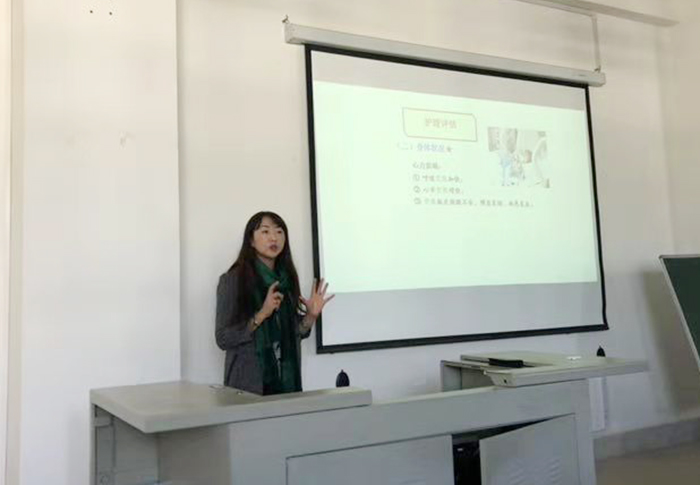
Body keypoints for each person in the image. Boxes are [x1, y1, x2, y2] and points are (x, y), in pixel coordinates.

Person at [215, 211, 334, 395]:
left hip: (287, 387)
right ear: (251, 240)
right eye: (265, 231)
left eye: (279, 232)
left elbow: (294, 332)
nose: (274, 238)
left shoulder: (286, 279)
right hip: (248, 389)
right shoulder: (233, 280)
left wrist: (310, 317)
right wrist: (262, 314)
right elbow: (223, 338)